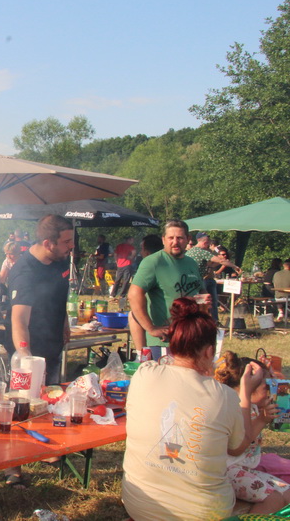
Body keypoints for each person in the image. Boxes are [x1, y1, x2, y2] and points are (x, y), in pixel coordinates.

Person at [122, 297, 264, 520]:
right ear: (209, 352)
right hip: (203, 513)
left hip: (139, 506)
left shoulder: (143, 374)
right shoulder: (224, 396)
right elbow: (238, 448)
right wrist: (245, 392)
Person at [215, 351, 290, 512]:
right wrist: (262, 420)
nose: (270, 391)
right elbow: (237, 444)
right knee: (273, 499)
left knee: (288, 494)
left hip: (244, 469)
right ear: (249, 387)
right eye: (266, 387)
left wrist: (272, 375)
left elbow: (281, 396)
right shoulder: (235, 407)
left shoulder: (253, 405)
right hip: (227, 470)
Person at [9, 215, 74, 385]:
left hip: (54, 347)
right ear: (47, 244)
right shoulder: (25, 273)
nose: (72, 246)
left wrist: (64, 321)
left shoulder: (60, 258)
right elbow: (19, 320)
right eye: (66, 242)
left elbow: (58, 293)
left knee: (52, 395)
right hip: (33, 352)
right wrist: (27, 360)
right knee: (31, 398)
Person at [128, 219, 205, 361]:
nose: (175, 242)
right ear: (163, 240)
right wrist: (151, 328)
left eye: (180, 238)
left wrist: (204, 301)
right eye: (171, 238)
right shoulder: (154, 262)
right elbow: (134, 295)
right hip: (165, 342)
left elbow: (200, 292)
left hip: (191, 336)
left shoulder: (191, 263)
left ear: (188, 239)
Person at [186, 231, 239, 324]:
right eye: (208, 242)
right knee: (205, 303)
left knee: (196, 304)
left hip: (188, 282)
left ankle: (199, 322)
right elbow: (220, 261)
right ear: (205, 242)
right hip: (197, 282)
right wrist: (234, 266)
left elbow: (210, 264)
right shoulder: (201, 252)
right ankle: (208, 322)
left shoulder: (190, 252)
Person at [127, 234, 165, 358]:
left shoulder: (149, 264)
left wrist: (151, 328)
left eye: (142, 249)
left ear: (147, 252)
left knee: (133, 315)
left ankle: (142, 357)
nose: (140, 252)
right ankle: (142, 356)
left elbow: (133, 295)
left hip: (160, 330)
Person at [110, 236, 135, 300]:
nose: (133, 241)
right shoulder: (130, 247)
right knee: (126, 280)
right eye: (132, 240)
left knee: (117, 280)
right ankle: (122, 295)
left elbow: (115, 254)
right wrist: (131, 257)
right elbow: (134, 252)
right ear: (128, 240)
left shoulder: (119, 246)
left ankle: (113, 294)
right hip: (127, 264)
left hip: (120, 265)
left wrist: (117, 262)